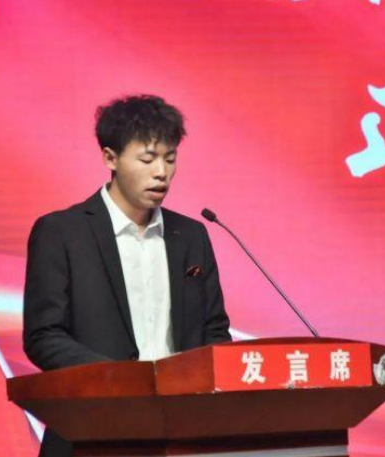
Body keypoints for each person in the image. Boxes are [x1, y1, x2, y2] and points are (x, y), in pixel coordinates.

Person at [23, 94, 232, 457]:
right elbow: (44, 335)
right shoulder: (62, 233)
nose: (161, 172)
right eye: (147, 159)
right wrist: (121, 381)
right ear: (110, 158)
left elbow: (214, 331)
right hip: (91, 432)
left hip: (181, 435)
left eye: (170, 159)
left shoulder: (191, 235)